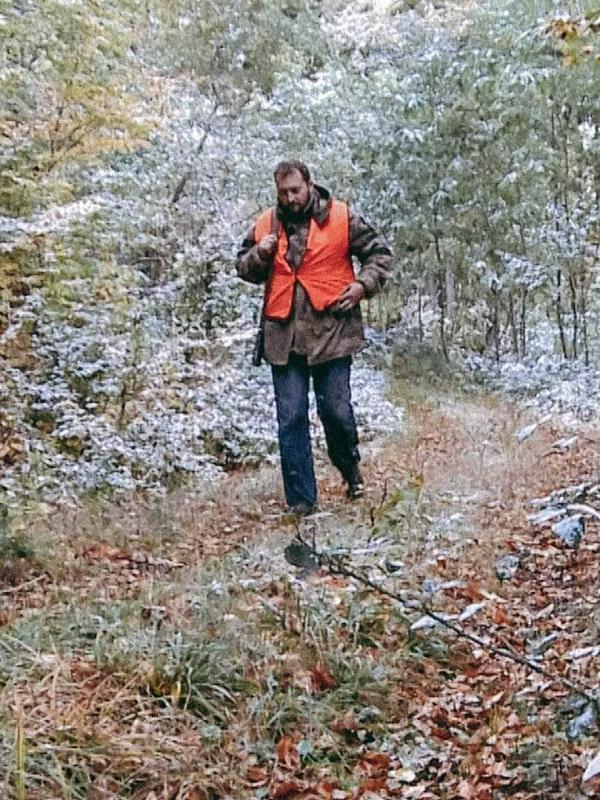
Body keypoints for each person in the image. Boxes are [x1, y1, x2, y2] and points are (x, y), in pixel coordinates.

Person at [236, 160, 392, 514]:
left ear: (309, 185)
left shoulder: (341, 217)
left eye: (296, 190)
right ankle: (302, 501)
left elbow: (380, 255)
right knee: (290, 416)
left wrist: (362, 286)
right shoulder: (265, 224)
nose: (290, 198)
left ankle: (350, 469)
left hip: (332, 331)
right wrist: (260, 253)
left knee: (335, 412)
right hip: (283, 335)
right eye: (283, 192)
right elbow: (243, 266)